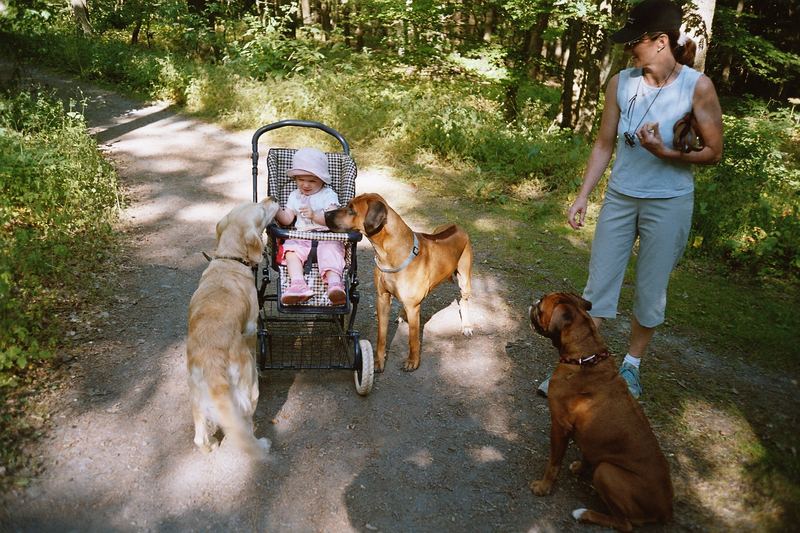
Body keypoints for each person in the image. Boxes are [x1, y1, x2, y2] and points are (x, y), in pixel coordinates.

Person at [538, 0, 723, 399]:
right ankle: (578, 364)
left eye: (634, 42)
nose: (628, 50)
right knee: (599, 284)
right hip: (621, 197)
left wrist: (666, 153)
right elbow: (604, 144)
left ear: (660, 42)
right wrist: (583, 195)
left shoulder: (697, 86)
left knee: (650, 290)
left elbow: (714, 151)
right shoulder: (621, 83)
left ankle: (632, 367)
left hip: (669, 202)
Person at [275, 147, 347, 306]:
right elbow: (287, 219)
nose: (306, 185)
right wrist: (275, 210)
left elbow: (333, 220)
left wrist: (315, 216)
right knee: (291, 250)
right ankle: (298, 284)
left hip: (326, 235)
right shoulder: (294, 196)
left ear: (322, 180)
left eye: (312, 181)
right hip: (302, 237)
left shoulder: (328, 195)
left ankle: (335, 285)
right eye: (301, 180)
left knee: (331, 251)